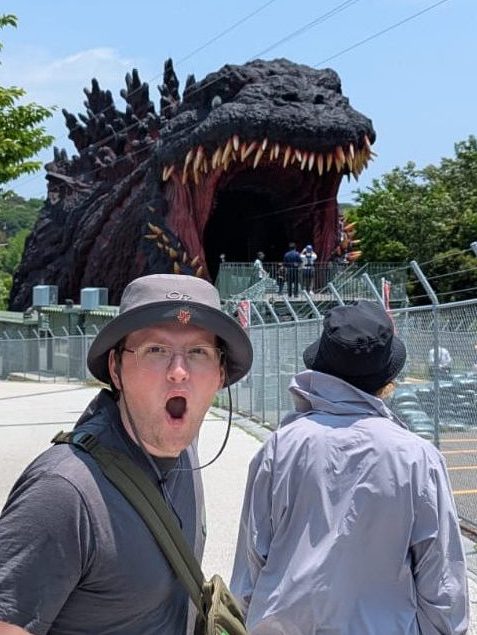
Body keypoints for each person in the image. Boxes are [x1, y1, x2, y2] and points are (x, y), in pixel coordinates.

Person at [0, 274, 253, 635]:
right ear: (116, 369)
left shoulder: (183, 452)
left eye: (198, 352)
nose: (178, 372)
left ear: (220, 374)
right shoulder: (64, 492)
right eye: (156, 350)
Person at [230, 300, 468, 635]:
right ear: (388, 378)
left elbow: (251, 561)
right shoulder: (418, 458)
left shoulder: (280, 446)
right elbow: (442, 580)